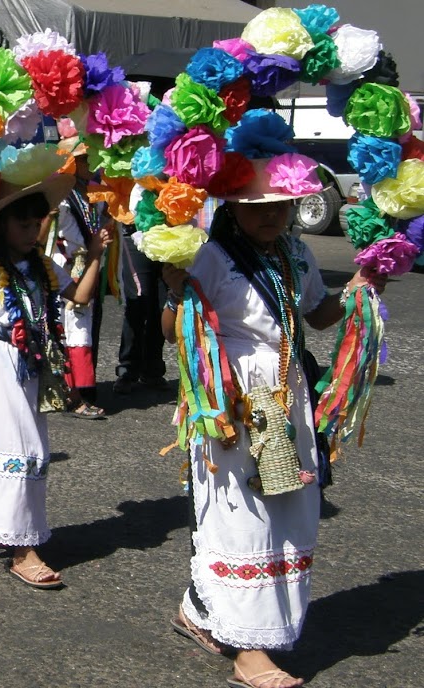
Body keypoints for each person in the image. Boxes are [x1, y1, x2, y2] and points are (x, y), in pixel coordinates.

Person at [160, 159, 387, 688]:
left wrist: (360, 286)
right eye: (258, 207)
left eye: (281, 206)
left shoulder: (297, 254)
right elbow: (173, 331)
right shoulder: (213, 256)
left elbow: (318, 316)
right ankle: (250, 649)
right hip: (232, 395)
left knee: (287, 504)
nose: (271, 216)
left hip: (287, 391)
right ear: (233, 208)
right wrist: (175, 289)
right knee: (242, 512)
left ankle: (203, 609)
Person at [0, 177, 112, 587]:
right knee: (13, 449)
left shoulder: (42, 267)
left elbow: (80, 297)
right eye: (24, 225)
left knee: (26, 450)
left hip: (31, 368)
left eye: (37, 224)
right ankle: (23, 549)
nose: (33, 232)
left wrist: (96, 255)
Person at [50, 136, 107, 418]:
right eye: (84, 159)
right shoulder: (61, 196)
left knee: (80, 329)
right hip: (68, 266)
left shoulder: (90, 192)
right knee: (68, 328)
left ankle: (79, 391)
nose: (90, 163)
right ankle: (70, 394)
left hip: (86, 264)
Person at [113, 182, 168, 395]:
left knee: (162, 304)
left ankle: (152, 370)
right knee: (139, 299)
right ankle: (127, 369)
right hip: (135, 229)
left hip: (170, 231)